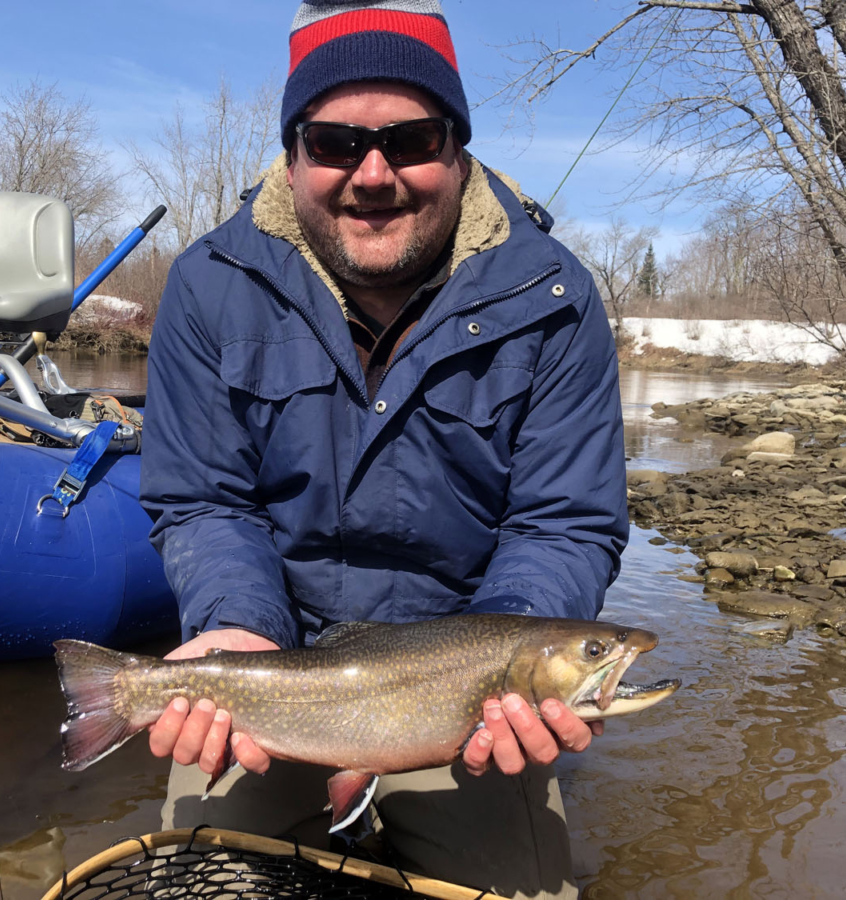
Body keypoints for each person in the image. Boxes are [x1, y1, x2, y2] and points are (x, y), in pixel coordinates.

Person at [138, 2, 628, 896]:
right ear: (294, 153)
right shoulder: (210, 286)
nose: (372, 174)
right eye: (333, 142)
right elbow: (204, 502)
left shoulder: (557, 298)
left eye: (410, 140)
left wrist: (509, 667)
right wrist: (232, 625)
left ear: (457, 147)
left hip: (465, 689)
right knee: (196, 888)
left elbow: (564, 522)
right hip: (279, 676)